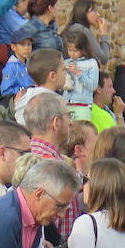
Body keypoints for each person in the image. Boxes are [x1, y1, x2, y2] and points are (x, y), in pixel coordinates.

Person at [25, 92, 80, 240]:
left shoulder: (27, 156)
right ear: (56, 122)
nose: (71, 122)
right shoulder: (49, 165)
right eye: (69, 115)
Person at [60, 0, 112, 68]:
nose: (98, 14)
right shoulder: (81, 30)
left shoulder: (72, 27)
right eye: (94, 11)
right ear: (83, 13)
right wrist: (104, 34)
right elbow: (103, 58)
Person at [62, 30, 99, 120]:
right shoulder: (66, 62)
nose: (72, 53)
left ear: (83, 49)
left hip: (83, 106)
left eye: (75, 50)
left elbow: (93, 86)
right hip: (66, 105)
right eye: (70, 50)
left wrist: (78, 73)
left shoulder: (91, 63)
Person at [0, 24, 36, 96]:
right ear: (13, 47)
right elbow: (5, 91)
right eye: (23, 44)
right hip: (19, 104)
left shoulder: (30, 64)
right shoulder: (11, 67)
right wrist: (25, 91)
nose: (27, 48)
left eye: (29, 44)